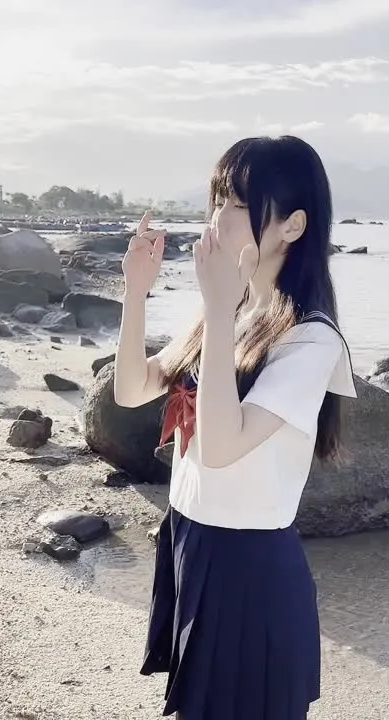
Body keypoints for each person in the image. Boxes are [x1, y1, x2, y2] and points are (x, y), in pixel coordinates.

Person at [114, 135, 357, 720]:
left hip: (249, 566)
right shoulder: (232, 310)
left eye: (242, 203)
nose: (220, 215)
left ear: (292, 225)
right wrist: (136, 293)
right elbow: (132, 389)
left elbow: (223, 446)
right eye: (220, 198)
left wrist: (220, 309)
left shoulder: (311, 339)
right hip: (191, 536)